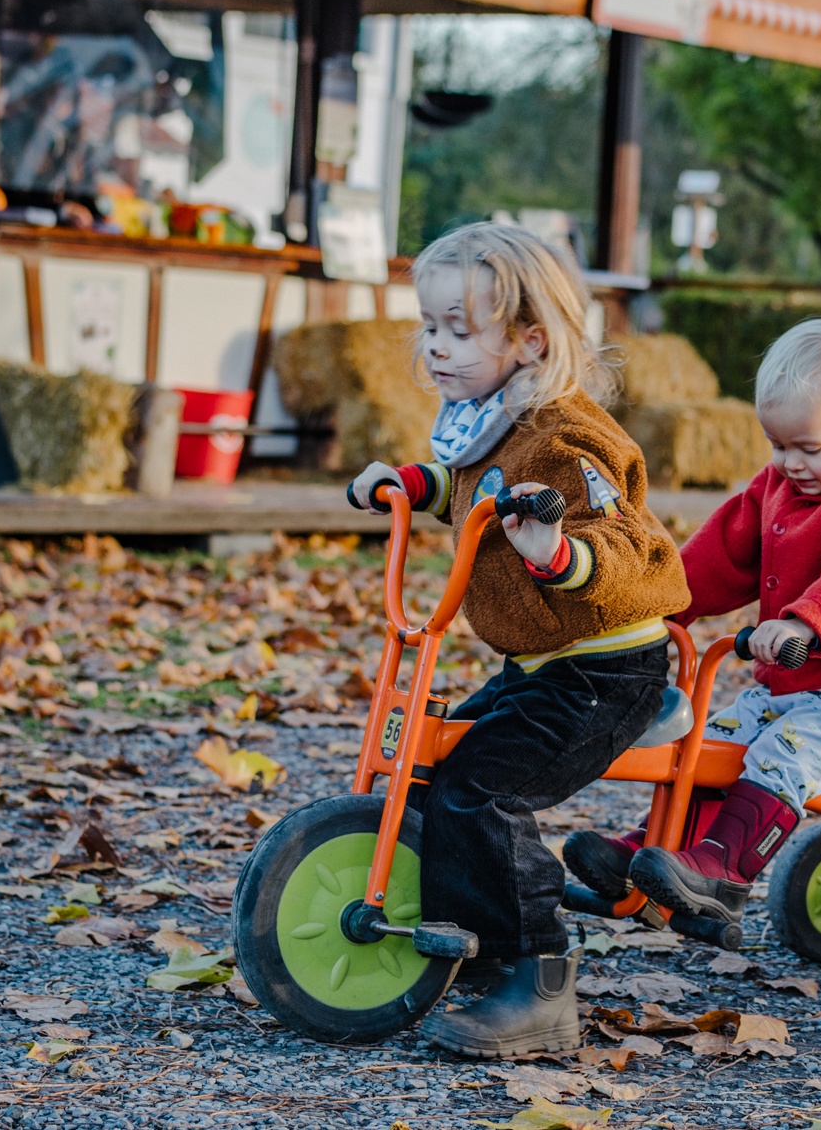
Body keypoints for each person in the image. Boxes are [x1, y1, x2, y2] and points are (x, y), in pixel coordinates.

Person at [350, 222, 690, 1058]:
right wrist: (413, 484)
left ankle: (536, 979)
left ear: (530, 339)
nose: (434, 347)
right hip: (543, 662)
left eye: (457, 330)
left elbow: (629, 544)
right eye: (429, 326)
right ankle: (464, 941)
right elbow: (472, 490)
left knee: (483, 790)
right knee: (434, 764)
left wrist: (562, 554)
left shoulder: (571, 440)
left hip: (606, 669)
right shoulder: (487, 419)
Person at [562, 319, 821, 925]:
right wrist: (656, 604)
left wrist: (809, 622)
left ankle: (725, 872)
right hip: (795, 681)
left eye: (808, 448)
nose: (789, 463)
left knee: (784, 753)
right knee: (713, 739)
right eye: (777, 445)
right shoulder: (777, 485)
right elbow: (719, 554)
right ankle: (655, 849)